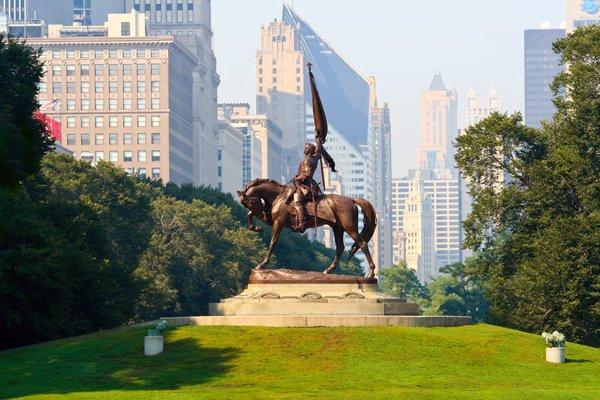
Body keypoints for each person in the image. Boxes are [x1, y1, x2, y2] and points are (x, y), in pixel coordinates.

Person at [291, 139, 336, 232]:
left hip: (305, 185)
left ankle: (301, 223)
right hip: (308, 183)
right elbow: (319, 152)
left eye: (306, 148)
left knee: (297, 201)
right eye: (305, 148)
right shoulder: (316, 157)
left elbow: (307, 174)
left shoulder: (308, 160)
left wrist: (297, 178)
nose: (305, 150)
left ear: (310, 150)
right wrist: (319, 142)